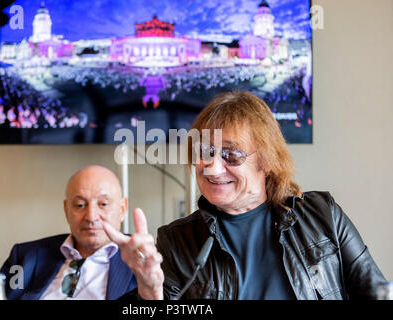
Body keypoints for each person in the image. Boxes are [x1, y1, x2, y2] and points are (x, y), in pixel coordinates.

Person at [104, 91, 386, 300]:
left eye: (231, 154)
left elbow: (377, 293)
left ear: (266, 160)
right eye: (204, 152)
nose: (212, 168)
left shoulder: (323, 214)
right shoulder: (177, 241)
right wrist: (150, 289)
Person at [0, 165, 137, 300]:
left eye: (103, 204)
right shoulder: (26, 256)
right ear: (66, 210)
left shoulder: (146, 261)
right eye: (80, 205)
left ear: (122, 209)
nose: (91, 217)